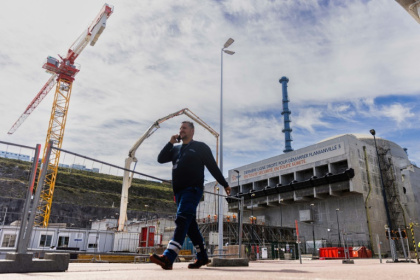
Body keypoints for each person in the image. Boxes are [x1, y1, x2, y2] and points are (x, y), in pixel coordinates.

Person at [150, 121, 231, 270]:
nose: (181, 130)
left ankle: (169, 256)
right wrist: (170, 143)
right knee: (190, 226)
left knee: (181, 219)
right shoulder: (175, 149)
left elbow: (212, 167)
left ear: (192, 131)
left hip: (192, 190)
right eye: (180, 128)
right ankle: (203, 257)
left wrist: (224, 184)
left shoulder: (200, 147)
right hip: (179, 193)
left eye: (184, 128)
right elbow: (160, 159)